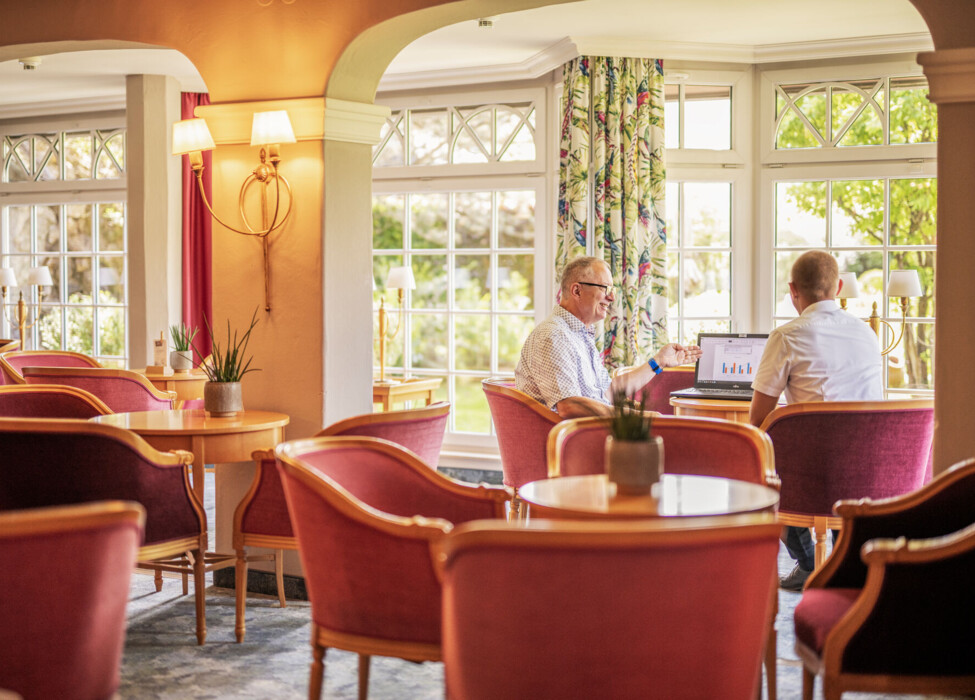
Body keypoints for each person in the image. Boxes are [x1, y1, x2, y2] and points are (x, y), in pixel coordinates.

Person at [749, 250, 882, 591]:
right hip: (868, 467)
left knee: (762, 463)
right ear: (838, 286)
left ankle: (808, 563)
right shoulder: (868, 334)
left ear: (793, 290)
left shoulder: (787, 335)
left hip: (814, 475)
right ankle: (844, 558)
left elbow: (759, 420)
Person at [515, 256, 701, 419]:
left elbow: (609, 392)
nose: (612, 297)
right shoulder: (554, 336)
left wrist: (659, 362)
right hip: (571, 445)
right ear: (577, 291)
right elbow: (568, 405)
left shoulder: (578, 334)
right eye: (605, 288)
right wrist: (638, 418)